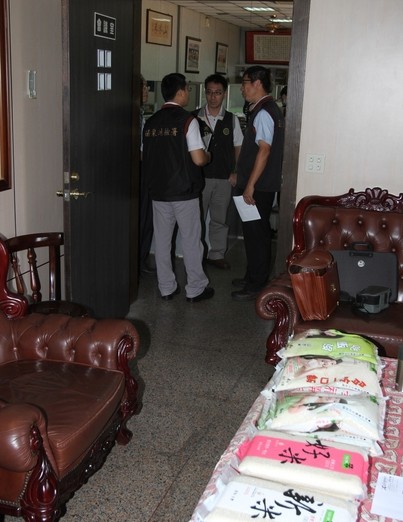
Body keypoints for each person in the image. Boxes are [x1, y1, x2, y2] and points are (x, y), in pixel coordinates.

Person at [142, 73, 214, 303]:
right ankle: (195, 288)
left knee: (162, 242)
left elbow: (145, 156)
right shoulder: (188, 121)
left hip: (158, 192)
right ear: (181, 92)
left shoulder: (150, 122)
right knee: (191, 240)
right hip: (184, 192)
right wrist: (208, 155)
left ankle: (166, 288)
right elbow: (198, 159)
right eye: (187, 89)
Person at [232, 66, 285, 301]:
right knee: (254, 232)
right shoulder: (267, 109)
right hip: (259, 184)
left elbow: (264, 150)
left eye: (245, 83)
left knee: (256, 235)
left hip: (259, 187)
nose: (242, 88)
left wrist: (250, 185)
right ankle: (251, 276)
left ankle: (256, 284)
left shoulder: (264, 112)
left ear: (257, 83)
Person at [193, 74, 243, 270]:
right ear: (205, 93)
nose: (213, 97)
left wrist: (235, 172)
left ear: (224, 94)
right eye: (209, 92)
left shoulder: (232, 119)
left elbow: (238, 147)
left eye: (218, 93)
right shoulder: (193, 118)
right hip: (199, 178)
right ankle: (195, 255)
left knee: (219, 220)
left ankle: (216, 254)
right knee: (196, 220)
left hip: (224, 178)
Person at [139, 74, 156, 276]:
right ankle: (138, 260)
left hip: (147, 169)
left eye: (146, 86)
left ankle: (142, 259)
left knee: (147, 218)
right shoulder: (130, 114)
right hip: (140, 170)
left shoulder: (142, 113)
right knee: (142, 217)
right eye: (142, 86)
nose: (146, 91)